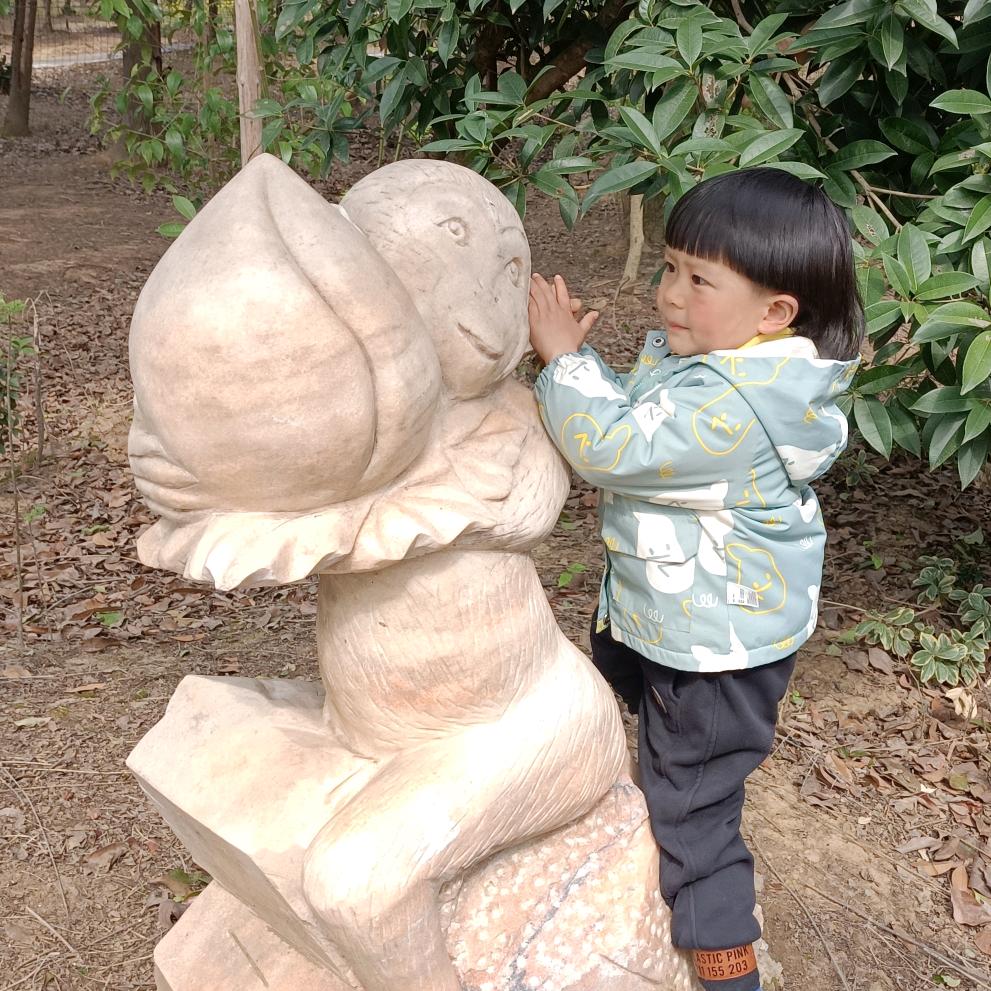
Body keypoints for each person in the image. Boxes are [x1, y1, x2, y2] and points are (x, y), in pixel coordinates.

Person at [527, 167, 863, 991]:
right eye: (669, 266)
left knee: (694, 815)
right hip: (695, 623)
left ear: (773, 312)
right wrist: (587, 371)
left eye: (698, 279)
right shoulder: (734, 368)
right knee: (642, 713)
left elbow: (612, 447)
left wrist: (564, 361)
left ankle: (724, 965)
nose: (670, 293)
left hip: (713, 654)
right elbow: (647, 423)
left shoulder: (734, 407)